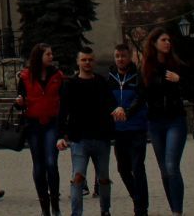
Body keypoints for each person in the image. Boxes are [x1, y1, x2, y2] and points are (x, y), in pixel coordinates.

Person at [57, 47, 117, 216]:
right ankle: (76, 213)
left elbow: (111, 104)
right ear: (78, 62)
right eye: (84, 60)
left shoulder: (101, 82)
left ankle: (105, 210)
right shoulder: (70, 84)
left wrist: (116, 111)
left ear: (94, 61)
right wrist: (60, 136)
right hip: (79, 139)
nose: (87, 63)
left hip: (101, 137)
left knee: (104, 178)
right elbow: (63, 111)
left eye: (90, 59)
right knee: (78, 177)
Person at [142, 27, 189, 216]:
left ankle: (177, 212)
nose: (167, 43)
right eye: (163, 40)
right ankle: (173, 208)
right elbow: (141, 96)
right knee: (164, 171)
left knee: (171, 166)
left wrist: (179, 80)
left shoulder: (176, 65)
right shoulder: (147, 68)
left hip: (175, 121)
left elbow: (192, 90)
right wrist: (125, 111)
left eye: (169, 40)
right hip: (155, 123)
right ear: (154, 43)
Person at [18, 43, 65, 216]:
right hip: (33, 124)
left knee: (51, 163)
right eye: (48, 54)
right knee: (39, 165)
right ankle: (44, 207)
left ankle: (55, 204)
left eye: (51, 54)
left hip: (52, 123)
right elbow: (20, 100)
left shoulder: (57, 75)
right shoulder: (25, 76)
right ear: (39, 56)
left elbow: (64, 99)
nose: (51, 57)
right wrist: (19, 102)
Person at [108, 42, 149, 216]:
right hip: (119, 130)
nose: (120, 59)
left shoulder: (138, 76)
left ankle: (141, 208)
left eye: (123, 56)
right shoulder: (110, 76)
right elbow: (107, 99)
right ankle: (137, 197)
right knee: (122, 168)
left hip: (136, 127)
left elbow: (140, 98)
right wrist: (114, 110)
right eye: (117, 56)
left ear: (129, 56)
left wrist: (127, 112)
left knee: (138, 167)